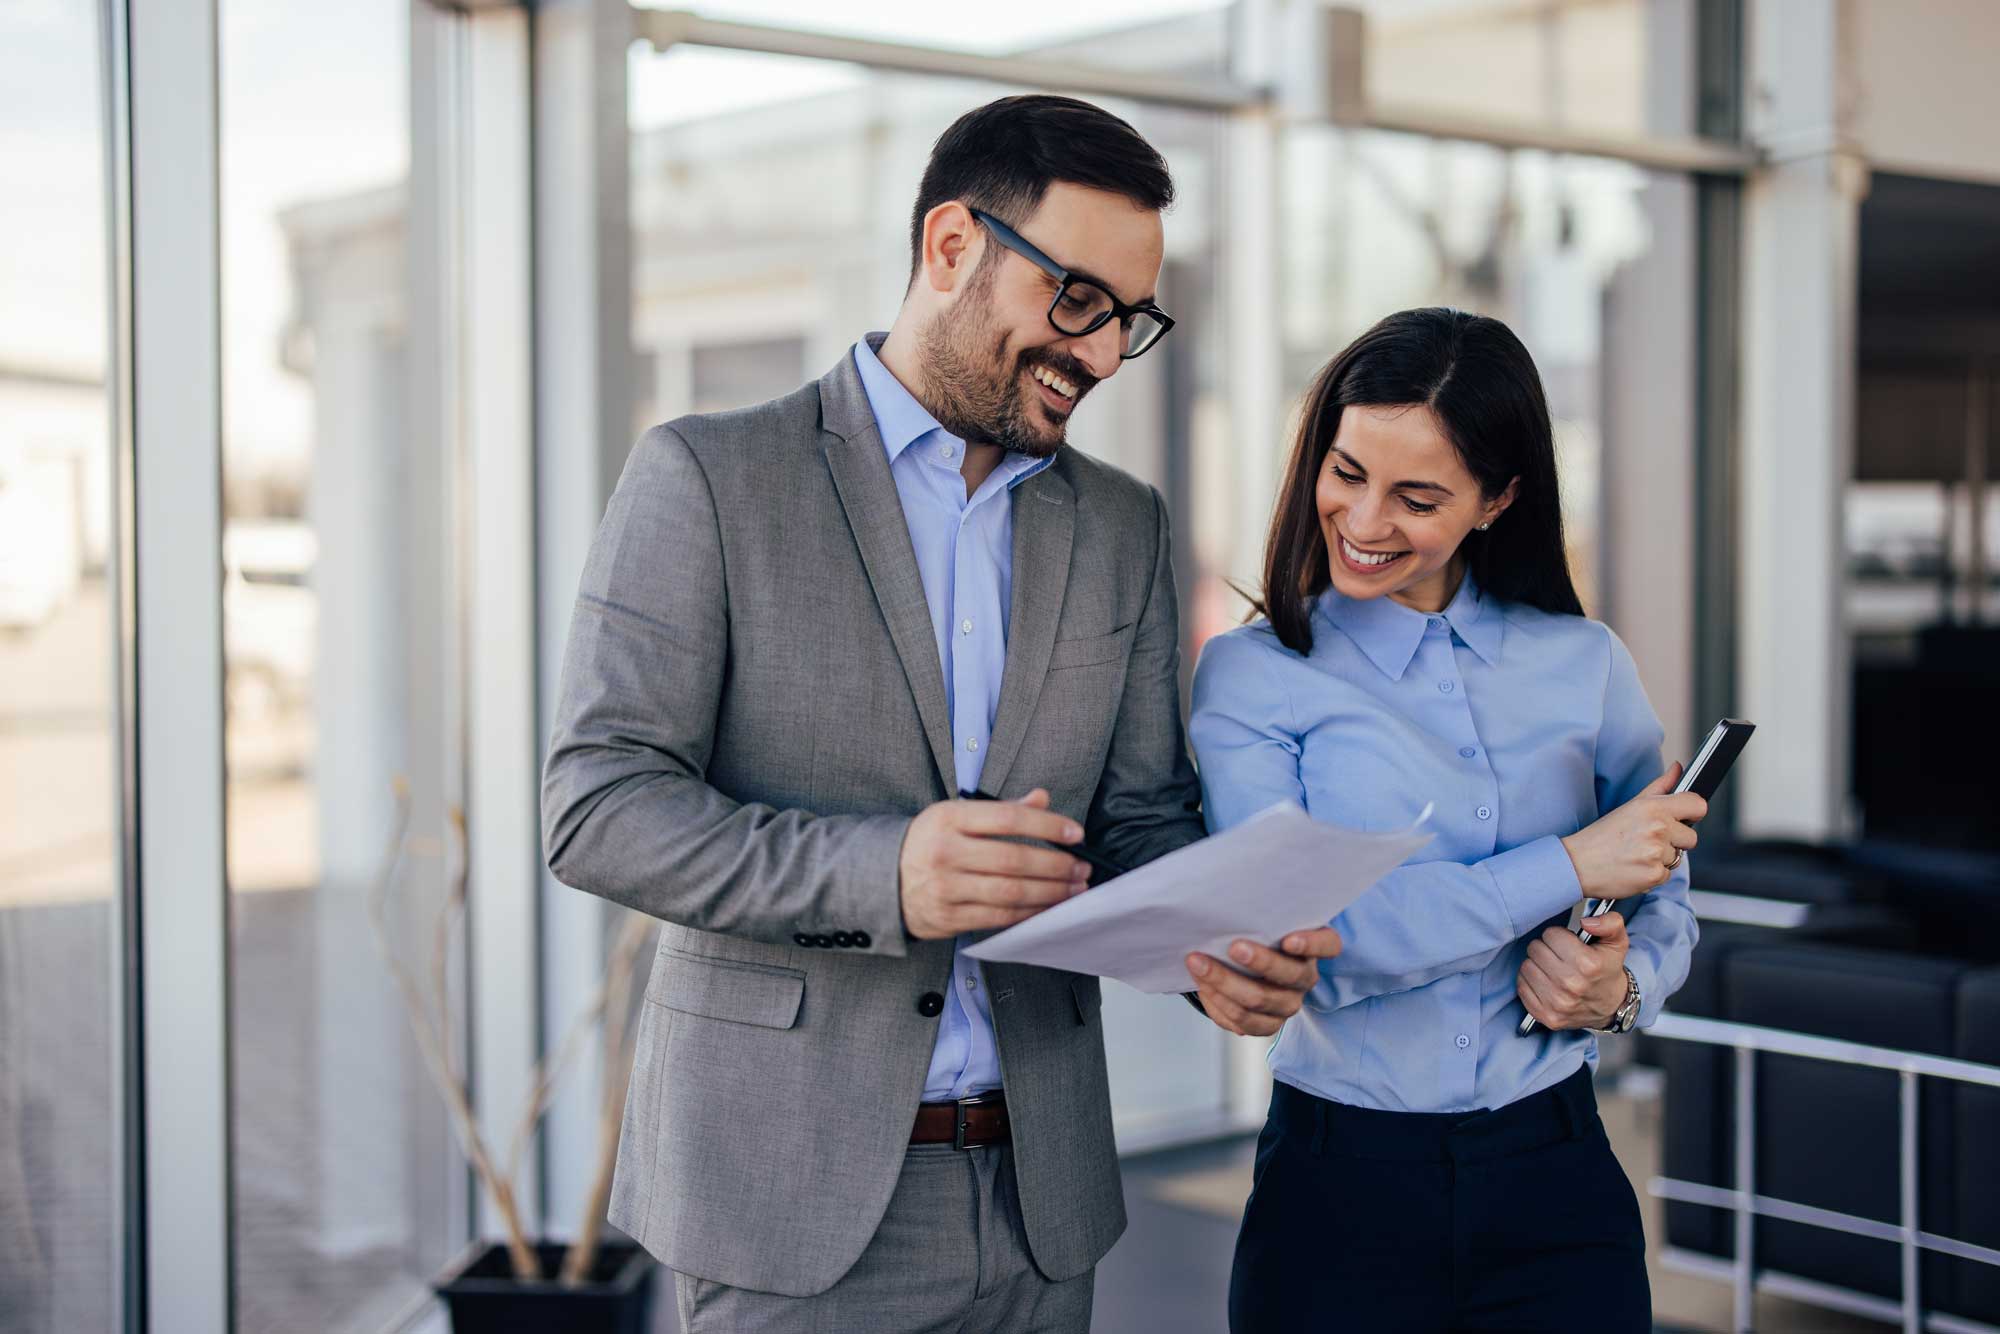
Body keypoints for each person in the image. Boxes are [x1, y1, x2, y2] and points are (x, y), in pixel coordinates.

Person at [541, 94, 1338, 1333]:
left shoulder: (1121, 523)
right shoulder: (710, 474)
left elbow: (1135, 818)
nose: (1097, 350)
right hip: (786, 1202)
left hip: (1043, 1197)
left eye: (1128, 319)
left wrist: (1215, 947)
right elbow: (596, 804)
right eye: (1075, 298)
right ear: (950, 245)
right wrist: (883, 872)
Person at [1190, 307, 1703, 1333]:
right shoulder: (1252, 677)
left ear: (1496, 499)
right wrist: (1564, 862)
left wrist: (1617, 987)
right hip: (1337, 1192)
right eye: (1345, 472)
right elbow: (1320, 945)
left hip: (1557, 1174)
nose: (1364, 519)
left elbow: (1660, 890)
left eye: (1416, 496)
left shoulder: (1584, 661)